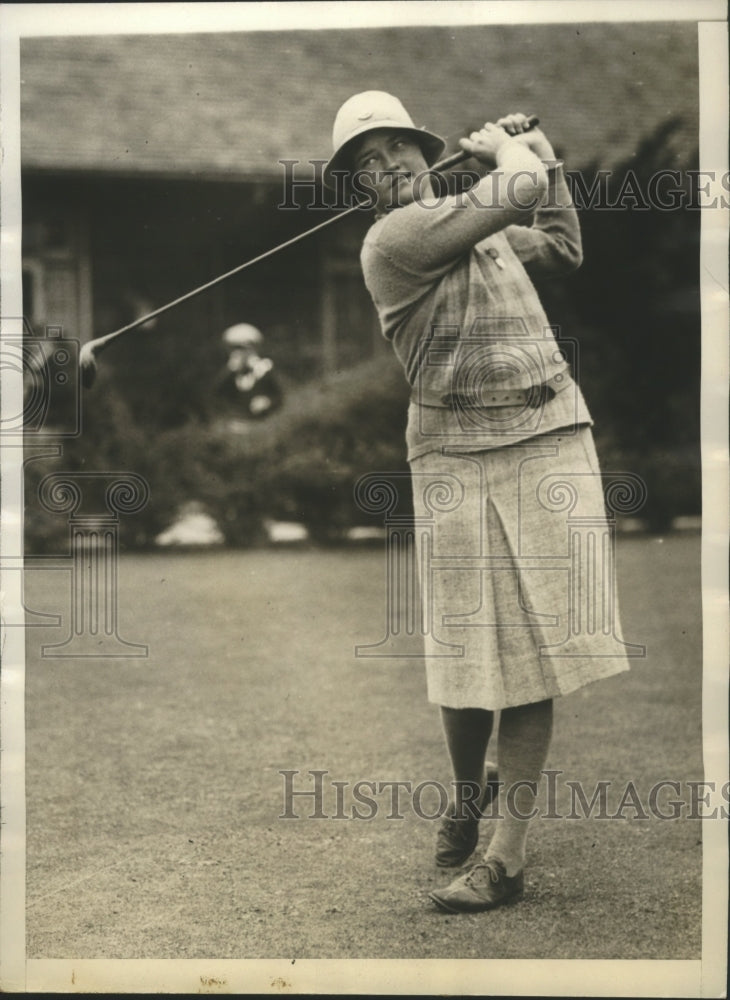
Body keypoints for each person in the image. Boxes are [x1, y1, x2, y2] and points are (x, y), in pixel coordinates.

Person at [324, 91, 631, 913]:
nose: (385, 168)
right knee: (466, 656)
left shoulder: (477, 226)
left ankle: (507, 856)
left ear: (425, 154)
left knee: (534, 653)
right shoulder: (394, 241)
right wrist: (510, 150)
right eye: (366, 163)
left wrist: (545, 151)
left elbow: (561, 245)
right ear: (362, 188)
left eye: (395, 150)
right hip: (454, 453)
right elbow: (518, 192)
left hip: (546, 436)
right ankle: (468, 789)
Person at [216, 323, 282, 422]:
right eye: (233, 348)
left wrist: (268, 402)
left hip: (264, 422)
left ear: (253, 349)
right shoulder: (232, 374)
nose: (237, 353)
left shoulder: (265, 369)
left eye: (241, 348)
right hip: (236, 423)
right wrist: (230, 371)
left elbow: (280, 396)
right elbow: (216, 396)